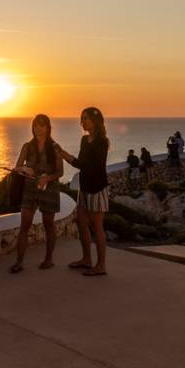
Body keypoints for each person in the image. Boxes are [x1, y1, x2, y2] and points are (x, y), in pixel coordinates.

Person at [56, 107, 110, 277]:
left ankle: (101, 266)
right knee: (81, 223)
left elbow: (89, 166)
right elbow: (80, 163)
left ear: (95, 120)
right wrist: (65, 155)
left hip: (97, 188)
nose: (83, 121)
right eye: (82, 118)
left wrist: (64, 155)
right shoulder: (84, 140)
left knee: (97, 226)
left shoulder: (102, 142)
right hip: (84, 187)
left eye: (86, 118)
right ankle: (86, 259)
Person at [9, 115, 64, 273]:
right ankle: (19, 262)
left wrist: (46, 178)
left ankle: (48, 259)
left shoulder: (55, 147)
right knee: (24, 224)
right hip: (29, 189)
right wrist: (26, 169)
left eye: (42, 125)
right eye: (35, 125)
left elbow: (60, 171)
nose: (38, 128)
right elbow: (17, 168)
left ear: (48, 127)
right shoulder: (27, 146)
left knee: (48, 225)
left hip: (50, 189)